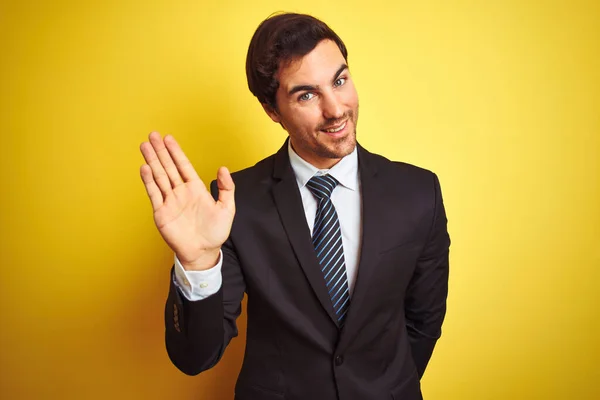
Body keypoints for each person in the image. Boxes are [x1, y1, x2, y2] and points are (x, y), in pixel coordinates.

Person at [139, 12, 450, 400]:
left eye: (340, 80)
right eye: (306, 94)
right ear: (273, 111)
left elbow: (423, 323)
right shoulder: (234, 203)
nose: (335, 109)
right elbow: (194, 357)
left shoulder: (419, 192)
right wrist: (198, 263)